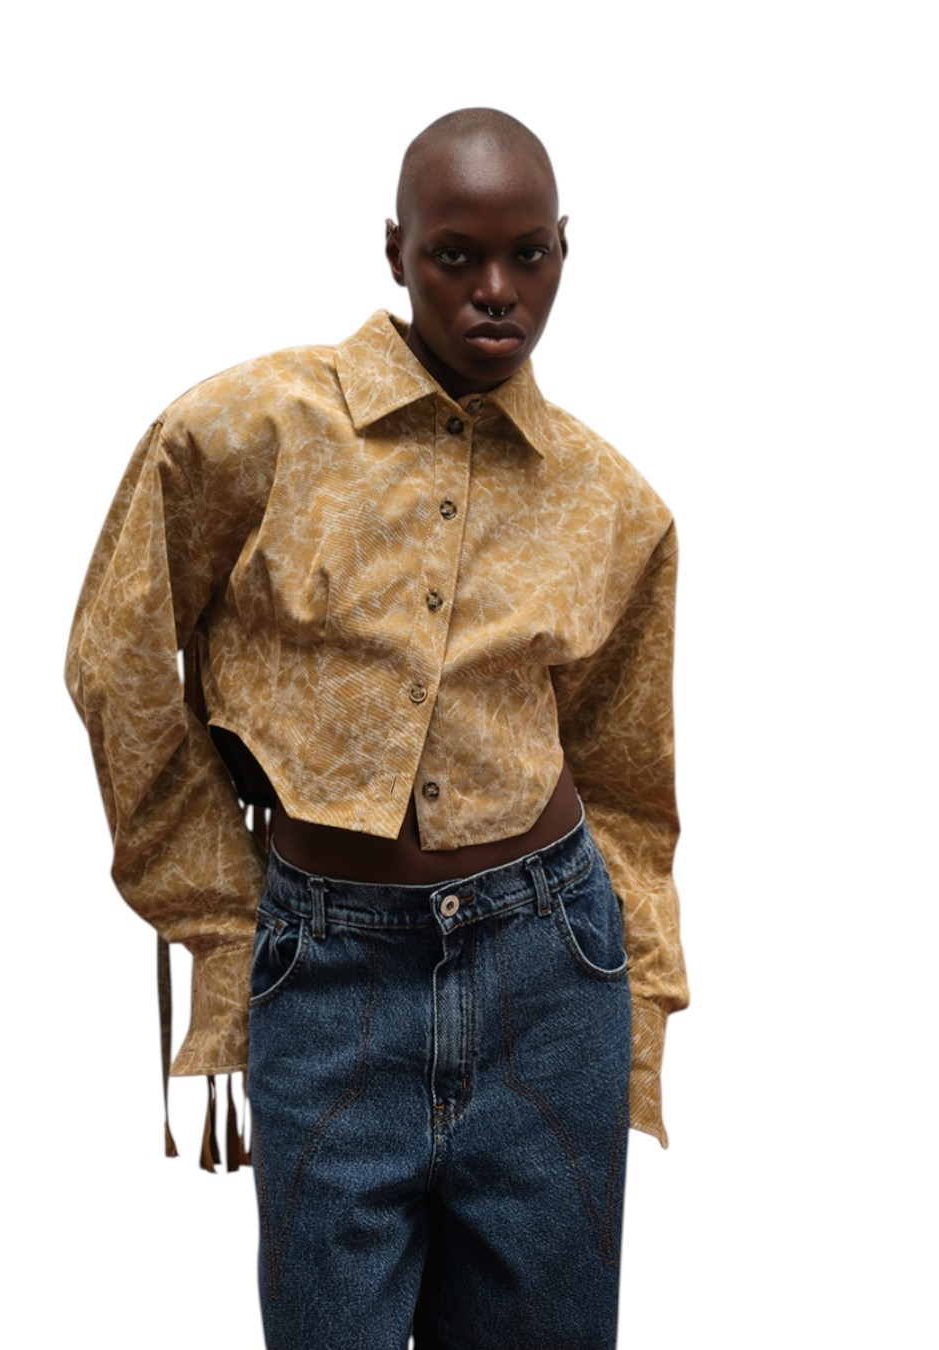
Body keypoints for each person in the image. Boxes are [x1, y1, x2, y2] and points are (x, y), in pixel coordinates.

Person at [66, 107, 688, 1350]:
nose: (497, 289)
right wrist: (220, 913)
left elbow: (630, 784)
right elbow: (116, 659)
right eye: (456, 254)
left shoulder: (615, 505)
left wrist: (640, 1016)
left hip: (550, 975)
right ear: (396, 249)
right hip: (328, 971)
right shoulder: (245, 431)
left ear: (566, 251)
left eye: (528, 255)